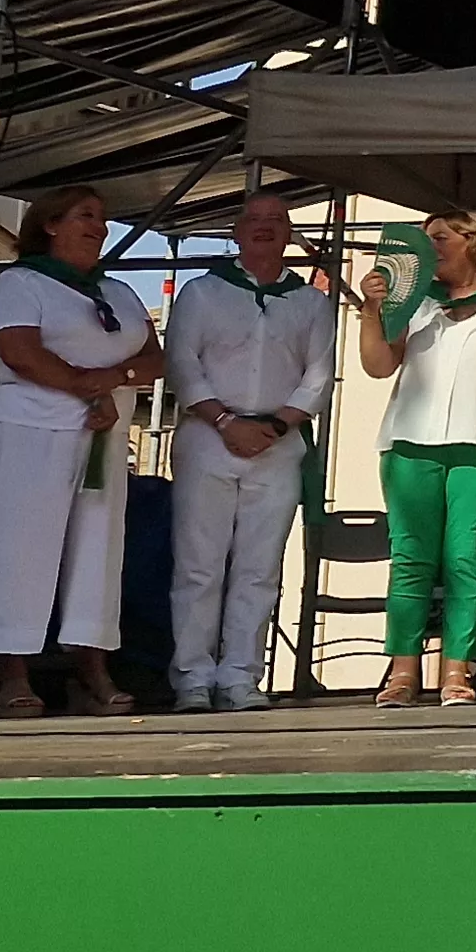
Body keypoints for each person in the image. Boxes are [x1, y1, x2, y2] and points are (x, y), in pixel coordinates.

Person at [0, 185, 164, 718]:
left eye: (103, 219)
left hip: (102, 434)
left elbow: (154, 358)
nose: (98, 227)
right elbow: (20, 351)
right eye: (85, 216)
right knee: (22, 547)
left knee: (98, 553)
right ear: (51, 224)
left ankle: (91, 670)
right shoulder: (22, 282)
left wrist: (116, 379)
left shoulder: (118, 293)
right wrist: (90, 387)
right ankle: (9, 672)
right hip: (32, 430)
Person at [164, 193, 331, 712]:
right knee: (198, 564)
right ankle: (192, 676)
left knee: (260, 567)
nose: (265, 229)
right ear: (236, 231)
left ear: (289, 235)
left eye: (276, 222)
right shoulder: (203, 292)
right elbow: (181, 361)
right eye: (254, 221)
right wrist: (224, 420)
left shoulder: (310, 301)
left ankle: (240, 676)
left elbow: (319, 374)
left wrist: (277, 425)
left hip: (277, 443)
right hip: (208, 436)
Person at [355, 207, 476, 708]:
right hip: (409, 444)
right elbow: (377, 365)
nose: (427, 250)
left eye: (438, 238)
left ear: (474, 242)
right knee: (410, 560)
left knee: (467, 559)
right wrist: (372, 309)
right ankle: (404, 672)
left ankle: (458, 670)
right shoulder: (417, 304)